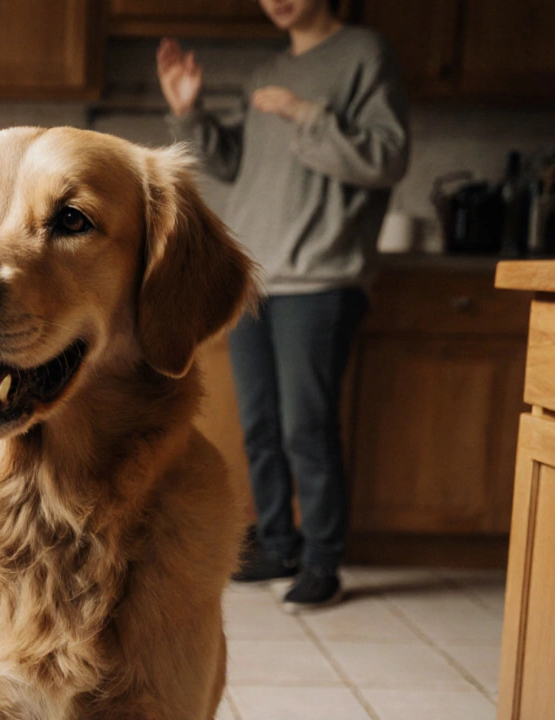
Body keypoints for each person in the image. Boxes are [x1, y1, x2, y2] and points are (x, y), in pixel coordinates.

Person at [157, 0, 410, 609]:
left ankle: (322, 560)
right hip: (258, 279)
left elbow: (387, 157)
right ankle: (277, 544)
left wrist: (307, 113)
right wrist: (189, 112)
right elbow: (232, 163)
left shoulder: (363, 54)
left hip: (321, 277)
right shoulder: (266, 71)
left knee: (306, 428)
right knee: (262, 426)